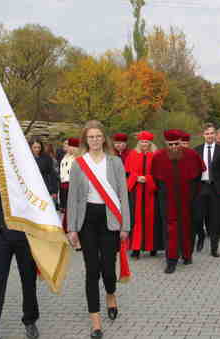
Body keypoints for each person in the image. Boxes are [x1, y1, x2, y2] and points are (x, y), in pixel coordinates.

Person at [67, 120, 131, 339]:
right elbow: (73, 198)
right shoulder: (78, 164)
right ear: (86, 140)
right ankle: (95, 321)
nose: (94, 140)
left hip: (110, 218)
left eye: (98, 136)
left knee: (108, 270)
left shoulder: (114, 162)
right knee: (92, 270)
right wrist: (72, 228)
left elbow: (123, 195)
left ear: (104, 139)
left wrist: (125, 225)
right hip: (87, 220)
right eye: (90, 137)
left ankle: (111, 294)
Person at [0, 162, 40, 339]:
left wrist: (2, 187)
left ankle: (30, 320)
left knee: (28, 281)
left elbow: (33, 195)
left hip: (24, 234)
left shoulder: (24, 161)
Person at [151, 129, 205, 274]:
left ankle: (187, 255)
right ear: (165, 143)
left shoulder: (192, 155)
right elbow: (155, 179)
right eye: (171, 144)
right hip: (167, 200)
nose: (174, 147)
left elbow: (199, 175)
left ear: (181, 142)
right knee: (170, 230)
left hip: (188, 199)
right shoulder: (158, 157)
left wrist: (195, 195)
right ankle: (171, 260)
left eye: (177, 144)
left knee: (187, 227)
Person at [193, 123, 220, 258]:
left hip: (217, 189)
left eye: (211, 133)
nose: (209, 136)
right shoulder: (196, 150)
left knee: (214, 219)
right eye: (207, 133)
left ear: (215, 135)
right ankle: (200, 237)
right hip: (201, 187)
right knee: (198, 217)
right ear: (203, 135)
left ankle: (214, 248)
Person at [124, 131, 162, 259]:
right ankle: (136, 248)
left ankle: (153, 247)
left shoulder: (156, 155)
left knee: (153, 219)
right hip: (137, 192)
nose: (144, 144)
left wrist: (149, 179)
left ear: (150, 143)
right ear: (139, 142)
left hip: (151, 192)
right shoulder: (132, 155)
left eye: (147, 142)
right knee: (137, 219)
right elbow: (127, 173)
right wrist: (136, 178)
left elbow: (159, 174)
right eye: (142, 142)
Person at [59, 137, 80, 234]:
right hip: (64, 184)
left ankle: (71, 227)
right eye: (69, 145)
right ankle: (67, 226)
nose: (70, 148)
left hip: (72, 184)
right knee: (66, 207)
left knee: (72, 207)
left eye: (72, 146)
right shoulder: (65, 157)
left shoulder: (78, 158)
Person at [30, 139, 59, 204]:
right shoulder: (27, 158)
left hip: (44, 187)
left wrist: (54, 191)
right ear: (31, 147)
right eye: (35, 147)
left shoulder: (46, 158)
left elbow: (52, 174)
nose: (37, 149)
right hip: (31, 188)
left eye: (39, 147)